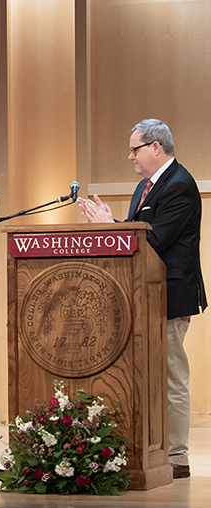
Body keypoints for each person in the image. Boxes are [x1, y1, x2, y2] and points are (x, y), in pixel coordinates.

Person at [77, 119, 206, 479]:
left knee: (170, 377)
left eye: (134, 148)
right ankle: (150, 448)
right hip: (144, 296)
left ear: (155, 147)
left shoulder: (179, 185)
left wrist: (110, 227)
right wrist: (113, 224)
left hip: (170, 296)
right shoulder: (144, 187)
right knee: (147, 377)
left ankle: (177, 456)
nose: (129, 155)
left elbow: (153, 241)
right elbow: (137, 240)